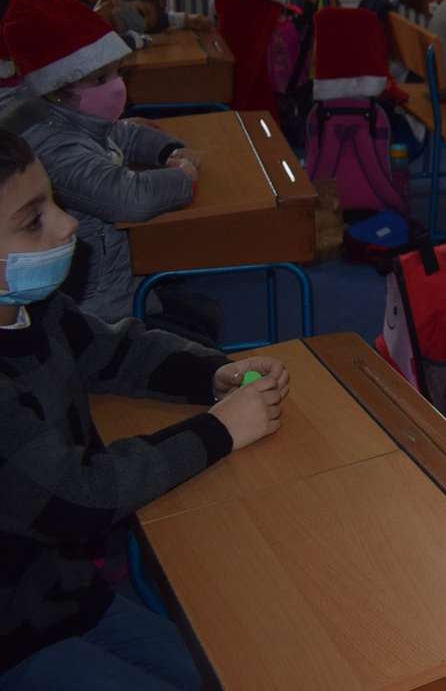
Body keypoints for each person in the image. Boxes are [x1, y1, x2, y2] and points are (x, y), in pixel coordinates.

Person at [0, 126, 288, 691]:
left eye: (53, 201)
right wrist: (216, 432)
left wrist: (212, 374)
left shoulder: (34, 311)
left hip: (59, 595)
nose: (68, 223)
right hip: (12, 641)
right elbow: (76, 496)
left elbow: (114, 351)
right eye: (33, 220)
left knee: (226, 677)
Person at [0, 0, 211, 339]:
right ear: (56, 90)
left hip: (115, 284)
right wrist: (183, 178)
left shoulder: (69, 115)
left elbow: (120, 133)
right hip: (95, 310)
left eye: (118, 73)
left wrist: (168, 150)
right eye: (100, 79)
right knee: (200, 338)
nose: (115, 86)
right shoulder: (51, 143)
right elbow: (129, 197)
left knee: (206, 318)